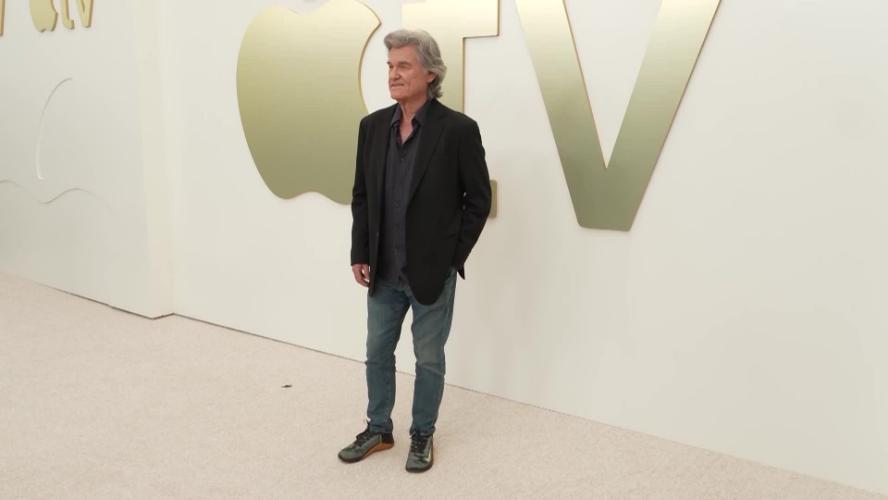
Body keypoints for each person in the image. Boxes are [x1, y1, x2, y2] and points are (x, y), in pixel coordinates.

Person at [337, 29, 491, 473]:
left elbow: (478, 200)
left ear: (431, 74)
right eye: (390, 66)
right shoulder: (371, 128)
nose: (393, 74)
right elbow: (362, 196)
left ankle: (422, 433)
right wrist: (360, 251)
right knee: (376, 352)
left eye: (403, 65)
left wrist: (452, 257)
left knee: (428, 358)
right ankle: (379, 428)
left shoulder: (458, 130)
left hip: (431, 270)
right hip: (383, 269)